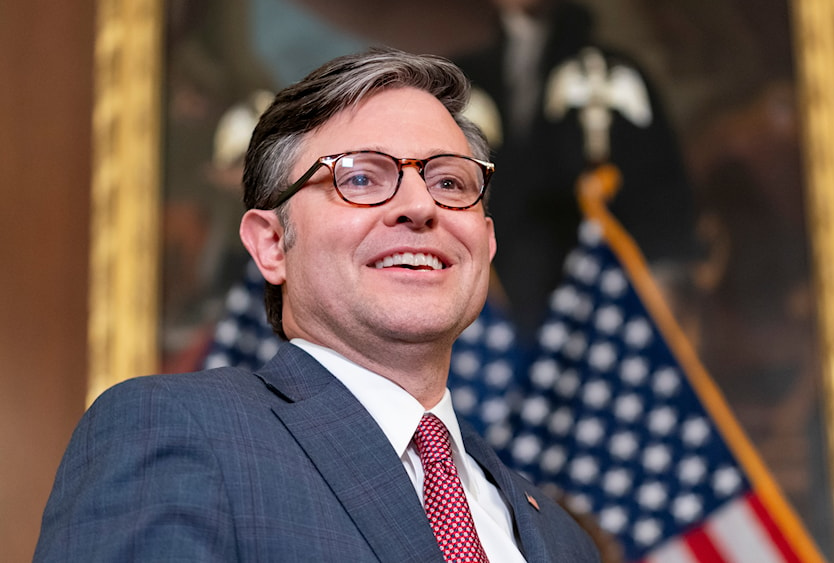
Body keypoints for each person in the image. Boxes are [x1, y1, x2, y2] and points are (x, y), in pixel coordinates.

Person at [35, 48, 601, 562]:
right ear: (272, 244)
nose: (419, 206)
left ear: (487, 241)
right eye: (360, 177)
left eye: (450, 183)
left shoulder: (558, 535)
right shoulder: (177, 430)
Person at [453, 0, 702, 333]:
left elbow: (658, 186)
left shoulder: (615, 76)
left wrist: (664, 274)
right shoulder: (462, 80)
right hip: (493, 288)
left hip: (597, 289)